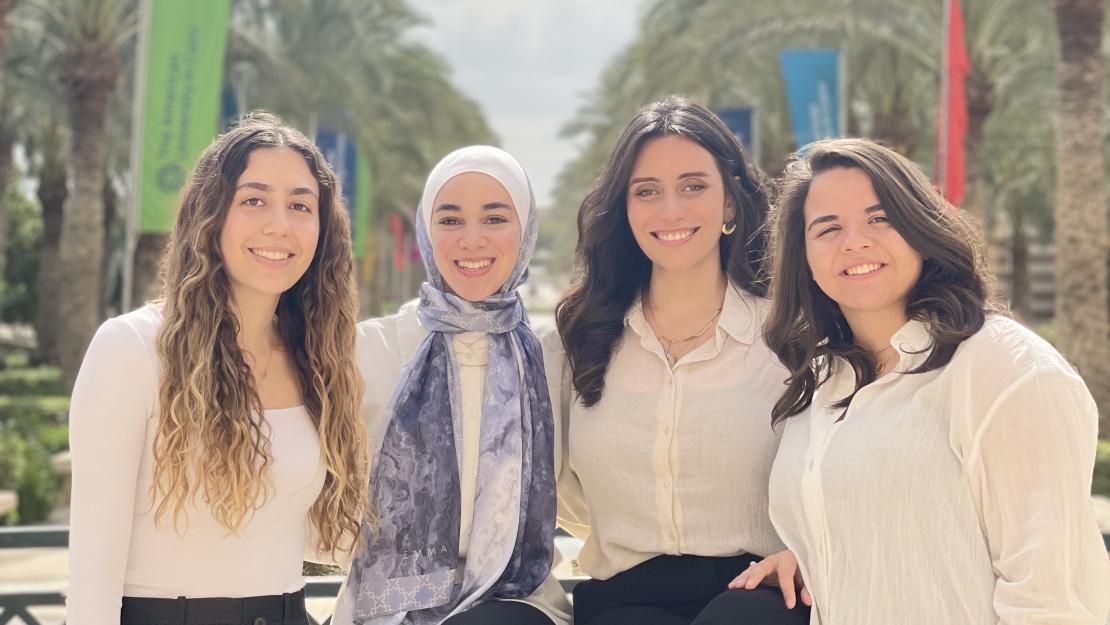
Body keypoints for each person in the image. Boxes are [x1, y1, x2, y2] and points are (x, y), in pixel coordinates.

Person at [734, 137, 1110, 624]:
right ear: (804, 256)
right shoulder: (824, 382)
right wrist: (816, 556)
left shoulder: (1004, 369)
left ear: (920, 227)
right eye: (828, 229)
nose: (855, 241)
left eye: (879, 218)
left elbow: (1049, 599)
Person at [67, 112, 368, 625]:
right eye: (254, 200)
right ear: (211, 215)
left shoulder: (321, 362)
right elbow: (93, 574)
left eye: (301, 205)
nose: (280, 224)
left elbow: (342, 539)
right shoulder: (133, 349)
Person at [548, 95, 810, 625]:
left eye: (693, 186)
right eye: (647, 191)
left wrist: (807, 552)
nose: (671, 210)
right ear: (624, 209)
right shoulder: (575, 342)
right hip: (624, 601)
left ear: (731, 203)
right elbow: (561, 493)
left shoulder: (791, 337)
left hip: (759, 599)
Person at [333, 146, 571, 625]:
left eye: (495, 218)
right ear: (426, 230)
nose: (472, 240)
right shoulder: (370, 349)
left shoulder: (555, 358)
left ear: (525, 231)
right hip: (388, 603)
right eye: (450, 220)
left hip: (516, 599)